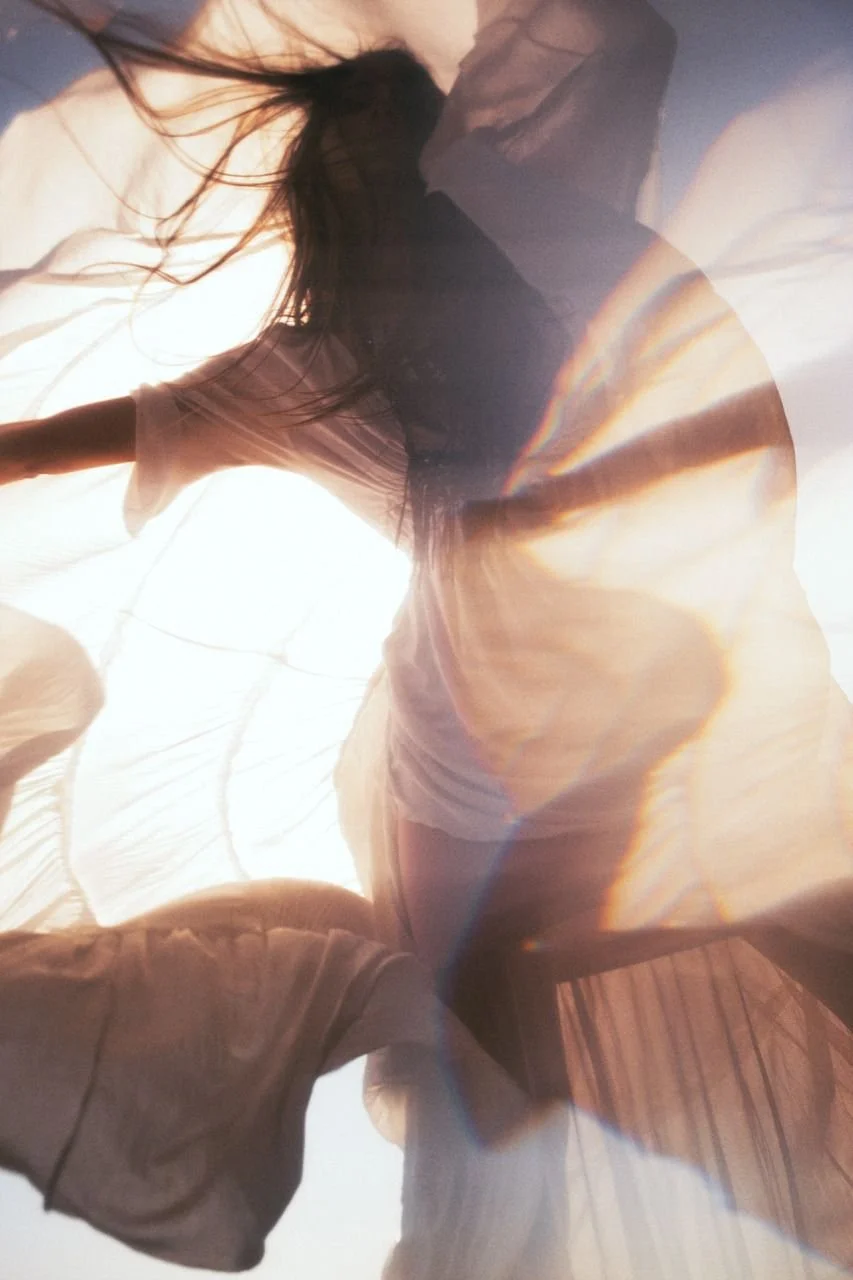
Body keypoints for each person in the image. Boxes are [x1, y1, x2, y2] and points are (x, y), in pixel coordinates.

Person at [3, 1, 853, 1275]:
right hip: (458, 770)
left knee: (792, 910)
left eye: (396, 164)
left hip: (630, 714)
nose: (379, 203)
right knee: (491, 1078)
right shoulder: (312, 371)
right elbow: (77, 438)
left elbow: (727, 423)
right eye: (350, 180)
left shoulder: (576, 291)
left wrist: (592, 512)